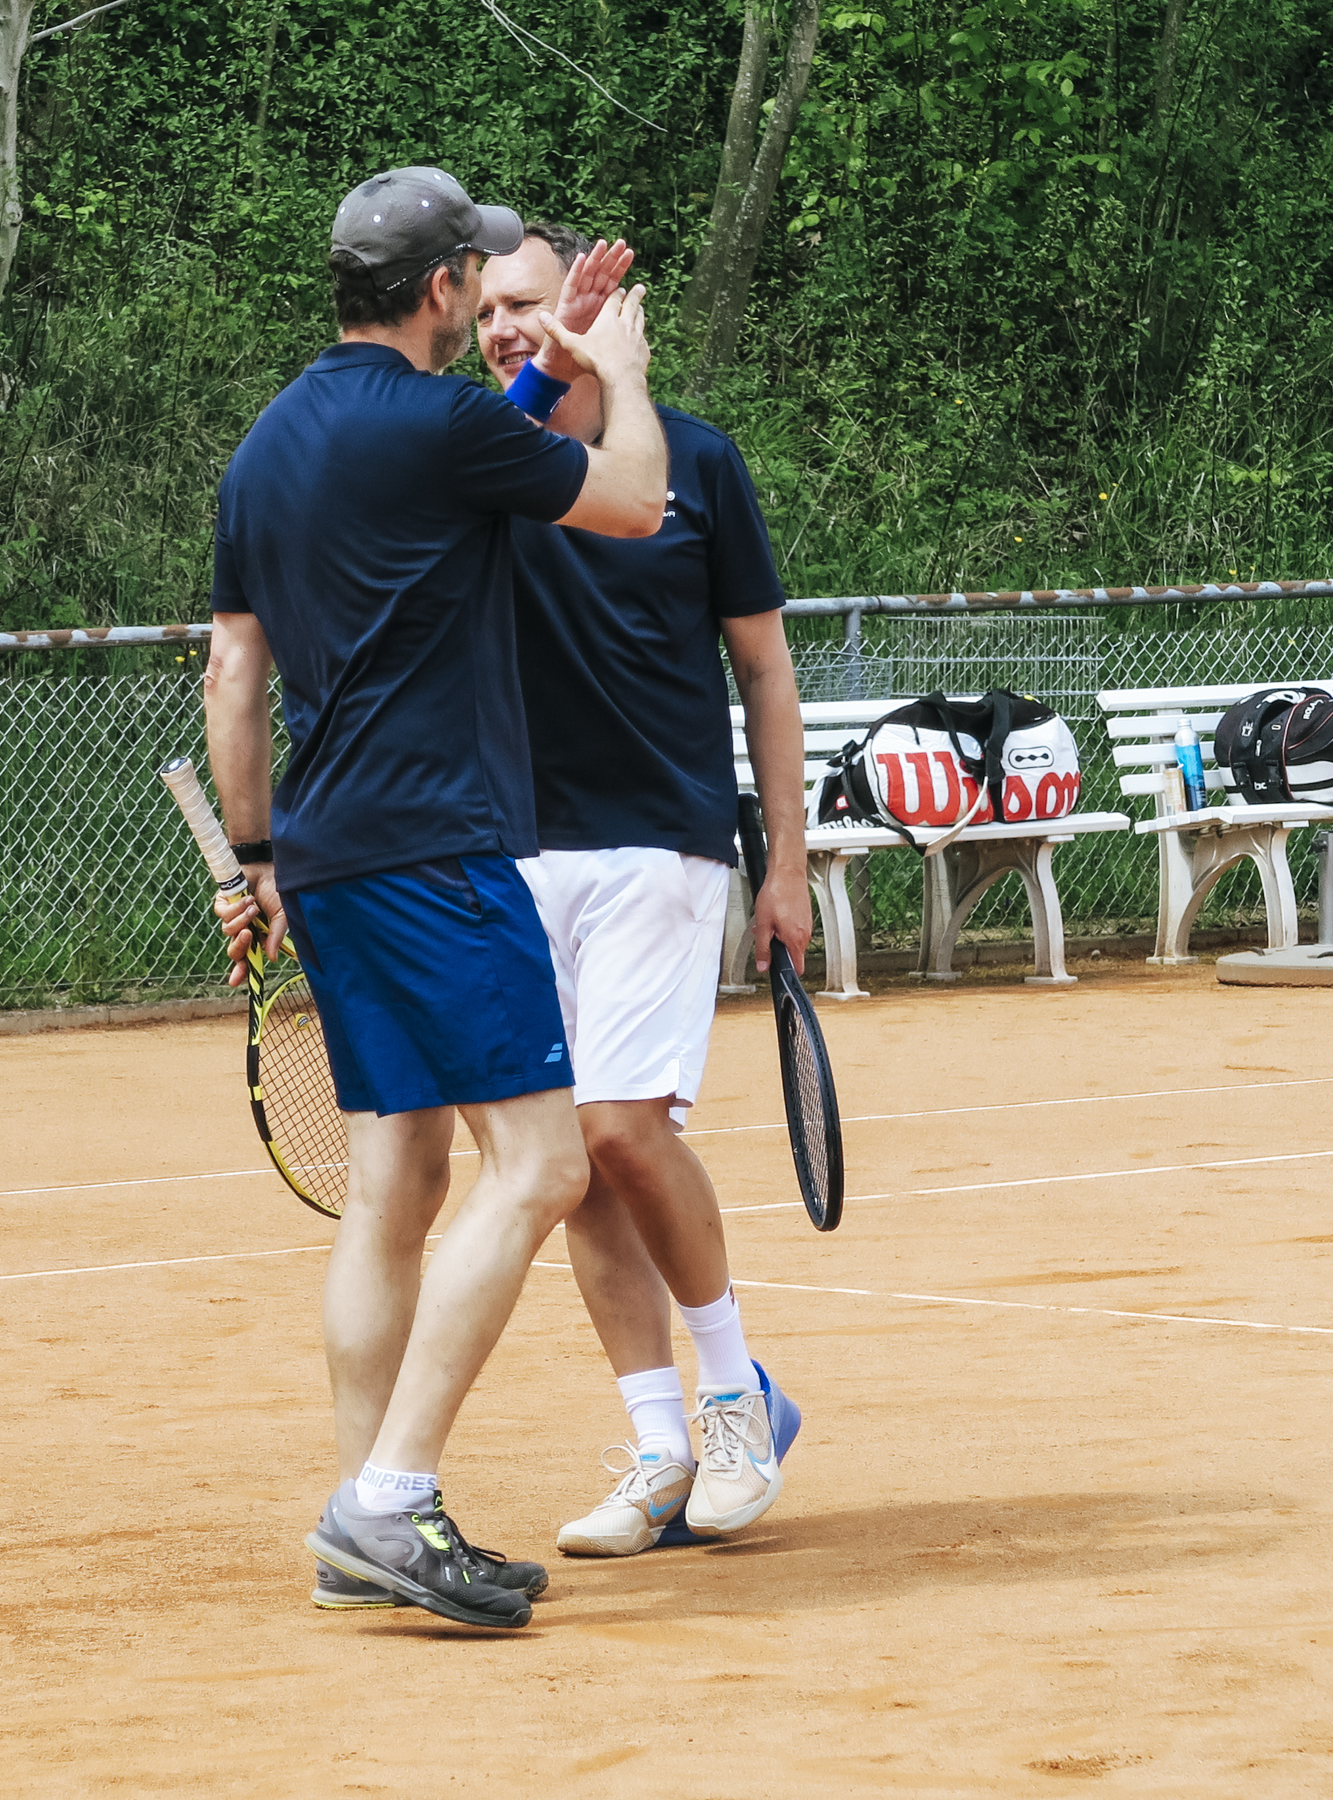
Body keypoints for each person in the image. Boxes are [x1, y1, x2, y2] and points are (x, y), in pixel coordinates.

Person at [200, 167, 668, 1630]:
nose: (482, 293)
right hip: (434, 850)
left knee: (396, 1183)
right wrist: (618, 372)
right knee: (540, 1166)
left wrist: (256, 857)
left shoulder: (268, 447)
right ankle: (387, 1502)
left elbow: (233, 674)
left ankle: (363, 1515)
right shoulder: (444, 424)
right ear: (440, 291)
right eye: (474, 274)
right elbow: (635, 502)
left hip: (330, 854)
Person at [473, 222, 815, 1556]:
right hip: (518, 852)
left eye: (530, 301)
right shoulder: (485, 464)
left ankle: (737, 1399)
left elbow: (766, 671)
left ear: (590, 305)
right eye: (486, 309)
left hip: (662, 842)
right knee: (573, 1166)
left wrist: (785, 863)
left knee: (622, 1129)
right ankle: (660, 1448)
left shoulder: (699, 461)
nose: (506, 325)